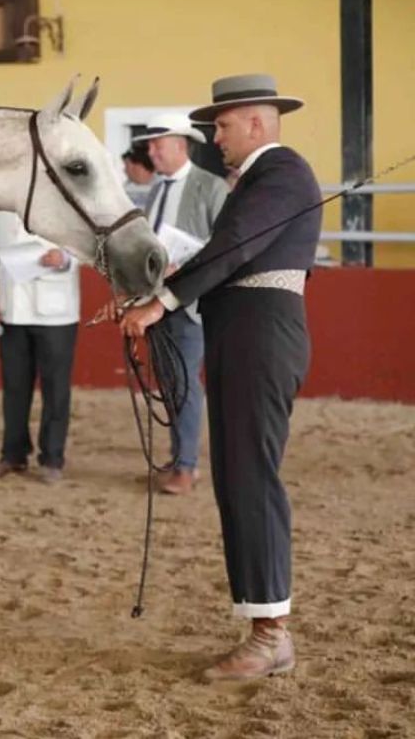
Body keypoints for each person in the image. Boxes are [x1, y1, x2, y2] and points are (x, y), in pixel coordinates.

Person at [117, 74, 320, 682]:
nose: (215, 137)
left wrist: (163, 301)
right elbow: (230, 250)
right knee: (236, 474)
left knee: (249, 475)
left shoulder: (280, 171)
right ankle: (264, 628)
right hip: (243, 336)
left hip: (261, 338)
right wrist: (159, 294)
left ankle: (270, 636)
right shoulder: (260, 180)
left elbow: (234, 244)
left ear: (256, 123)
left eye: (223, 126)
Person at [131, 113, 229, 495]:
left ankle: (186, 466)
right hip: (157, 301)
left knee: (184, 385)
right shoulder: (156, 190)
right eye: (150, 144)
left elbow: (225, 245)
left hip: (191, 304)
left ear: (180, 145)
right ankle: (178, 460)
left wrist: (183, 264)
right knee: (171, 384)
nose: (151, 151)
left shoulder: (211, 187)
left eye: (158, 144)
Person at [0, 211, 80, 484]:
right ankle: (13, 454)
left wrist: (66, 259)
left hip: (56, 312)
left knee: (55, 387)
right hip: (12, 311)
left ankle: (53, 458)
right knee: (15, 386)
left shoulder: (64, 196)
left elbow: (87, 243)